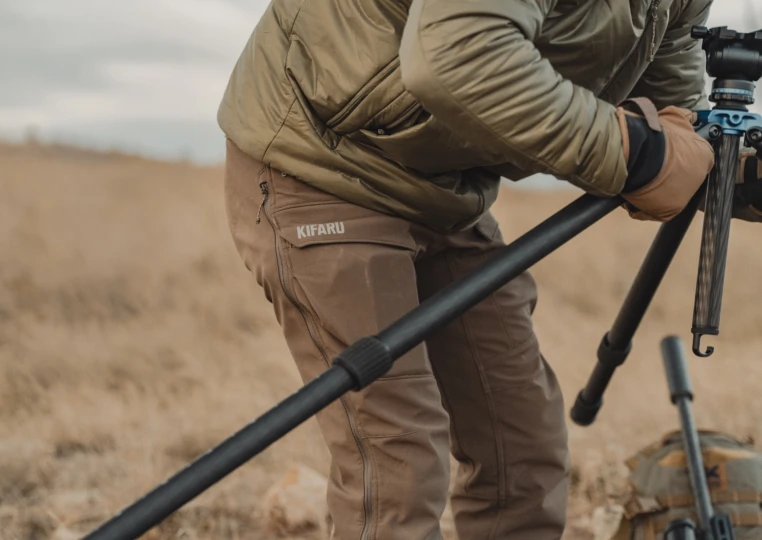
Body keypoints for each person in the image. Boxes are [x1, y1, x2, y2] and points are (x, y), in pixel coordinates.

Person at [218, 1, 759, 538]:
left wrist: (721, 165)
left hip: (446, 187)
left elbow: (670, 114)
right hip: (321, 159)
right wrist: (637, 155)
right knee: (397, 460)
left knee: (521, 447)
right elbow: (456, 54)